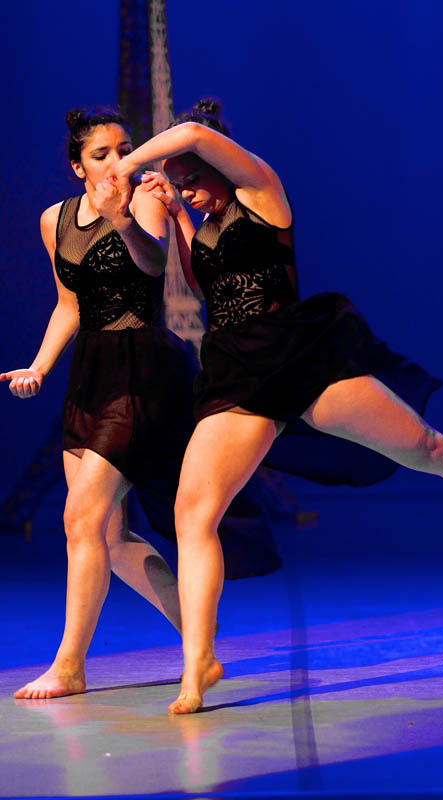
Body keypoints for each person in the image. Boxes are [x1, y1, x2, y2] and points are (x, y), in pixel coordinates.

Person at [112, 98, 443, 715]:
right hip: (237, 376)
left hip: (299, 358)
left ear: (222, 164)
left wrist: (126, 166)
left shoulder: (263, 190)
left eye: (193, 179)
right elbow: (207, 286)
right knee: (192, 514)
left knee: (428, 449)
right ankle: (197, 663)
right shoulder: (200, 222)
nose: (189, 192)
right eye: (181, 186)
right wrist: (175, 214)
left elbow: (195, 132)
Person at [1, 107, 280, 701]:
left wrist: (120, 218)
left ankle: (69, 666)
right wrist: (39, 367)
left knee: (78, 519)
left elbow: (154, 265)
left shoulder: (144, 199)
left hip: (141, 370)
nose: (117, 161)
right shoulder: (54, 219)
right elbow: (69, 304)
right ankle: (199, 641)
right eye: (101, 154)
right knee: (109, 537)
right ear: (77, 166)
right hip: (90, 375)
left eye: (125, 148)